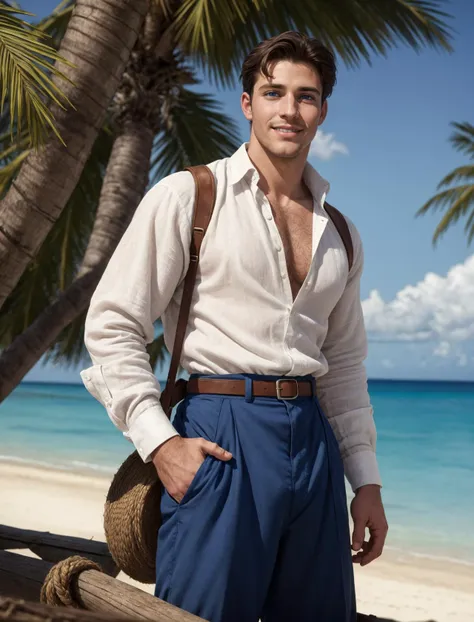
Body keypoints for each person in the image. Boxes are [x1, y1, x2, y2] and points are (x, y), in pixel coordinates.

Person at [80, 30, 388, 622]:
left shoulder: (341, 233)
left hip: (315, 441)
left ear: (322, 111)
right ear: (248, 103)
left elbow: (345, 364)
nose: (289, 110)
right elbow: (113, 324)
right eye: (274, 92)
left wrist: (365, 482)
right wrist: (160, 442)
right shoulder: (189, 196)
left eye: (306, 96)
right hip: (220, 435)